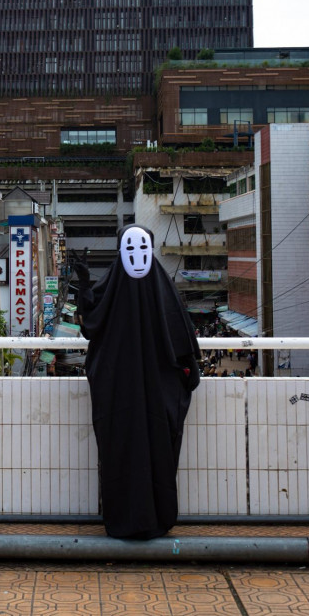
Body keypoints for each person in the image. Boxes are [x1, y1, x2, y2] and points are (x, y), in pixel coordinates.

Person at [74, 226, 201, 540]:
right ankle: (137, 518)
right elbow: (91, 323)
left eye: (141, 249)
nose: (136, 256)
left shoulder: (153, 289)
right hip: (130, 393)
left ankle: (144, 518)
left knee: (139, 450)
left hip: (135, 393)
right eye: (130, 250)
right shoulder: (157, 288)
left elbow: (181, 341)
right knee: (131, 450)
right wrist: (84, 290)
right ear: (120, 251)